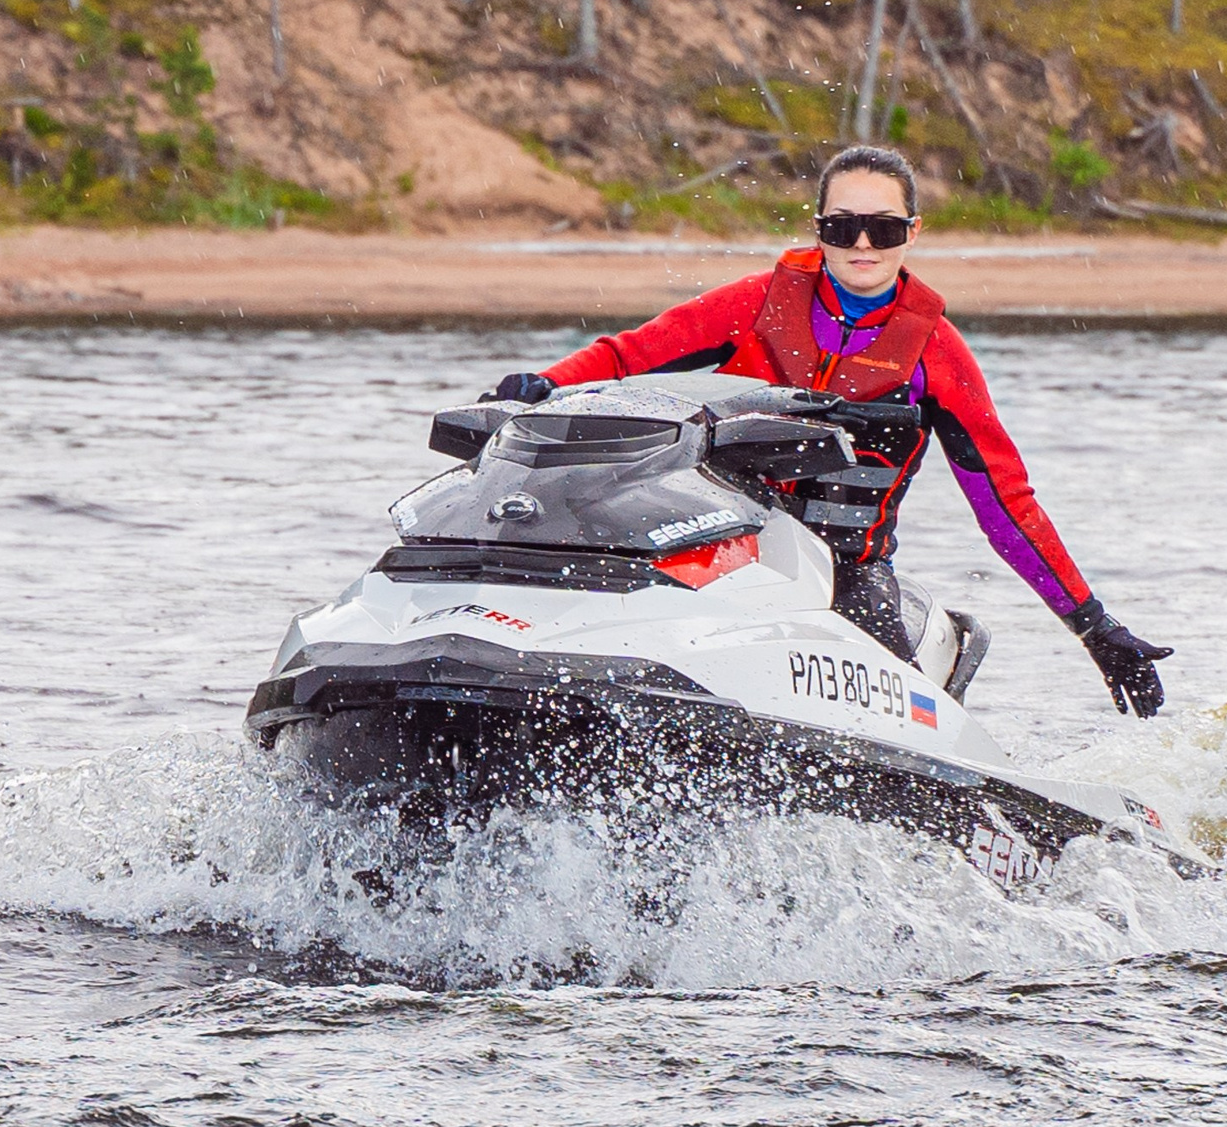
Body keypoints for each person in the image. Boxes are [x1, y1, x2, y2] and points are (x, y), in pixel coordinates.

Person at [487, 145, 1172, 718]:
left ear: (914, 231)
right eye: (844, 228)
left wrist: (1093, 627)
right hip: (723, 544)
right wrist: (543, 385)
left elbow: (1006, 506)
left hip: (848, 572)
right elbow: (627, 355)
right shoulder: (754, 303)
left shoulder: (937, 355)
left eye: (885, 228)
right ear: (820, 230)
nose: (864, 244)